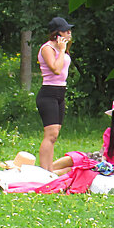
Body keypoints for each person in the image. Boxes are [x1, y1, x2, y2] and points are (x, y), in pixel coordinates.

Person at [36, 16, 73, 171]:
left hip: (60, 92)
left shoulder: (60, 49)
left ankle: (49, 169)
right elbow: (56, 69)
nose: (69, 33)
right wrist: (62, 50)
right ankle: (45, 170)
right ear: (57, 34)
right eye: (66, 30)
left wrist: (63, 50)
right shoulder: (48, 48)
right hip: (48, 93)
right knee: (50, 134)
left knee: (55, 134)